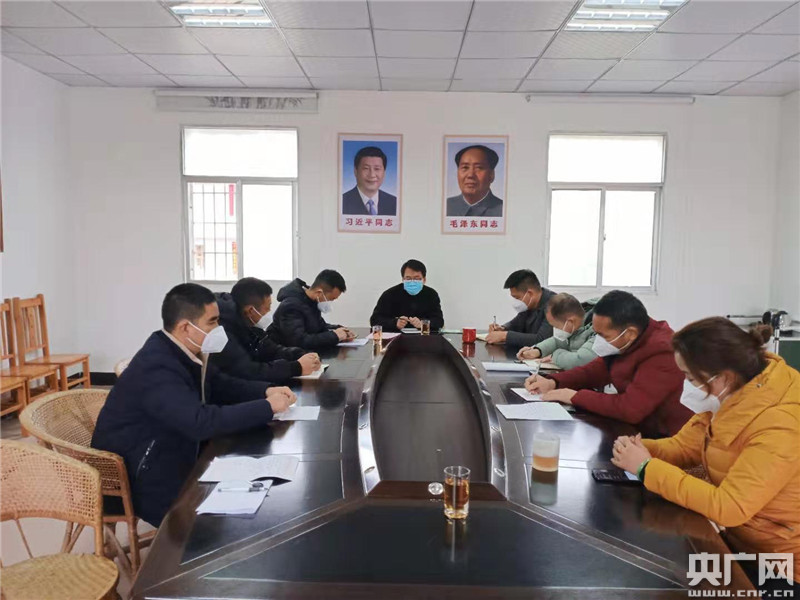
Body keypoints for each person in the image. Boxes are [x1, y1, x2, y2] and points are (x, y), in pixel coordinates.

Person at [611, 318, 799, 587]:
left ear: (723, 376)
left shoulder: (779, 424)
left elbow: (730, 507)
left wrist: (646, 468)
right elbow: (683, 447)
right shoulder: (733, 395)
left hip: (780, 566)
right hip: (739, 542)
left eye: (690, 378)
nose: (686, 386)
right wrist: (641, 449)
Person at [91, 284, 296, 527]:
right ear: (185, 327)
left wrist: (265, 391)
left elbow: (221, 384)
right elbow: (199, 422)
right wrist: (267, 407)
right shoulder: (157, 366)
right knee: (221, 523)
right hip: (137, 475)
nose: (219, 329)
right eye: (213, 322)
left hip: (171, 449)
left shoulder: (183, 350)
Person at [525, 290, 691, 437]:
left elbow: (631, 408)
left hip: (666, 438)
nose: (599, 341)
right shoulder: (625, 340)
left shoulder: (662, 351)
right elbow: (596, 370)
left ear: (630, 333)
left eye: (604, 336)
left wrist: (574, 396)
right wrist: (553, 382)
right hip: (636, 429)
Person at [213, 278, 322, 382]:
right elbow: (249, 371)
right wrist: (296, 367)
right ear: (251, 311)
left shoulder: (247, 323)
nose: (269, 311)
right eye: (267, 308)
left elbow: (270, 349)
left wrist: (300, 354)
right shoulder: (223, 330)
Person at [268, 270, 353, 351]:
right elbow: (298, 341)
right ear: (319, 293)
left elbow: (319, 326)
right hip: (284, 355)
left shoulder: (311, 302)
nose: (330, 302)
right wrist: (335, 336)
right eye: (331, 299)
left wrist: (339, 330)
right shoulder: (291, 306)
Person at [516, 293, 597, 370]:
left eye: (556, 326)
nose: (555, 329)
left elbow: (581, 360)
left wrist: (555, 356)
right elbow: (559, 341)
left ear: (570, 322)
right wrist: (538, 350)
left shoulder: (600, 329)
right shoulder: (577, 322)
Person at [370, 259, 444, 333]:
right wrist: (395, 323)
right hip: (396, 337)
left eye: (416, 278)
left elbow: (439, 321)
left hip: (424, 337)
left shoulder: (431, 294)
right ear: (403, 279)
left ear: (424, 279)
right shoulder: (390, 294)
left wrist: (422, 323)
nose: (412, 282)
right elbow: (374, 320)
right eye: (408, 278)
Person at [485, 269, 555, 348]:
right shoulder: (530, 304)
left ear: (530, 293)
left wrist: (504, 336)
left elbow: (542, 339)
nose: (515, 301)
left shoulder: (555, 305)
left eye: (517, 297)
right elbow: (516, 323)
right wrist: (502, 328)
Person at [446, 145, 503, 217]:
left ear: (491, 175)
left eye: (479, 168)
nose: (470, 175)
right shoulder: (446, 205)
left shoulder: (503, 210)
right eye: (465, 167)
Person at [342, 146, 397, 216]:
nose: (372, 175)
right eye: (366, 168)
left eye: (377, 169)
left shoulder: (394, 202)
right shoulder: (342, 201)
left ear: (384, 173)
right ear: (355, 171)